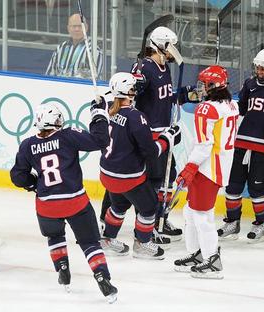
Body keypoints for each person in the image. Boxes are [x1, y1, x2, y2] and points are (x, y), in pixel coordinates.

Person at [9, 101, 118, 302]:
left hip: (46, 205)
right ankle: (102, 276)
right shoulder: (67, 135)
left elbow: (17, 176)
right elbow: (100, 141)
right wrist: (99, 113)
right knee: (89, 243)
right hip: (74, 201)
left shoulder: (27, 145)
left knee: (55, 236)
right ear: (55, 122)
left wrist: (34, 184)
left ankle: (63, 269)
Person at [100, 26, 196, 245]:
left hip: (164, 134)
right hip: (149, 137)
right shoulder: (145, 67)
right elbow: (132, 89)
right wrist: (137, 82)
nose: (175, 50)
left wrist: (187, 94)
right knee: (147, 184)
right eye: (171, 46)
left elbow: (164, 98)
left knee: (166, 180)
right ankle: (145, 228)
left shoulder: (164, 68)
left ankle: (160, 220)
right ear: (160, 45)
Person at [98, 72, 181, 259]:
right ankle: (142, 243)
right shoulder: (136, 117)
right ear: (129, 92)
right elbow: (150, 152)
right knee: (149, 206)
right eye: (134, 88)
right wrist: (167, 139)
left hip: (107, 174)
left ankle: (108, 239)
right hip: (127, 176)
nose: (137, 91)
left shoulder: (108, 110)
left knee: (119, 205)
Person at [173, 65, 239, 279]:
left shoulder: (206, 109)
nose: (200, 88)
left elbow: (204, 144)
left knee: (202, 215)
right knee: (190, 212)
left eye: (204, 84)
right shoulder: (232, 105)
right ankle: (198, 254)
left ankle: (213, 261)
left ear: (213, 86)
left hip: (207, 167)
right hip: (220, 165)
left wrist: (190, 167)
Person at [217, 48, 264, 243]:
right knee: (233, 185)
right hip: (242, 142)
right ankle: (232, 223)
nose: (260, 72)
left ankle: (261, 224)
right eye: (258, 68)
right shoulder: (250, 84)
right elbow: (241, 109)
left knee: (257, 189)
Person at [45, 13, 103, 79]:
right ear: (68, 29)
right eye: (74, 26)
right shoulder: (60, 49)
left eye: (80, 26)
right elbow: (49, 76)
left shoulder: (93, 51)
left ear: (86, 28)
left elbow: (95, 80)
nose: (77, 29)